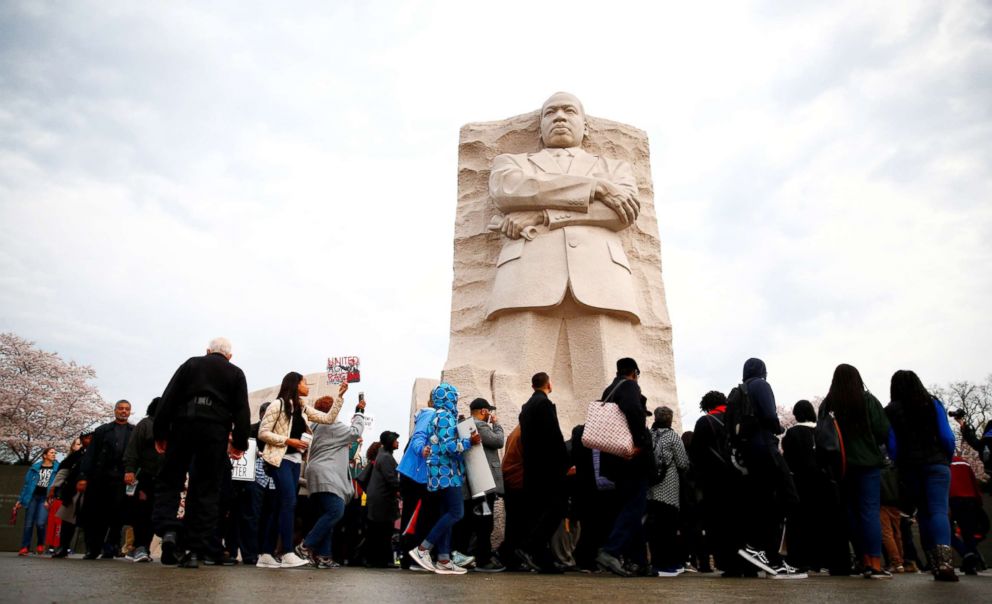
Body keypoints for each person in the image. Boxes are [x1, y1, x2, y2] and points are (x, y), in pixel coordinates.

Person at [486, 92, 643, 432]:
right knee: (517, 386)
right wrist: (596, 187)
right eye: (550, 112)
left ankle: (605, 468)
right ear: (539, 126)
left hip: (600, 277)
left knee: (606, 382)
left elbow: (619, 214)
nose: (559, 116)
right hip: (527, 276)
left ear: (585, 126)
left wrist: (542, 214)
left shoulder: (615, 167)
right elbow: (509, 191)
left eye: (569, 110)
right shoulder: (512, 164)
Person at [152, 337, 251, 569]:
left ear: (207, 351)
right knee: (206, 489)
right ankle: (192, 549)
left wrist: (160, 432)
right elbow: (241, 410)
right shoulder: (236, 373)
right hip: (215, 431)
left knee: (170, 480)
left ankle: (168, 530)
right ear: (230, 356)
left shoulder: (191, 364)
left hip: (183, 425)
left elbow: (169, 398)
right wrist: (239, 442)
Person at [256, 372, 345, 568]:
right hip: (280, 459)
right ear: (295, 384)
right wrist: (288, 440)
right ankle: (288, 552)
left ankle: (265, 553)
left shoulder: (303, 408)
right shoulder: (277, 405)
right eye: (304, 382)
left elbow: (328, 418)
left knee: (280, 505)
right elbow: (263, 432)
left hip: (295, 461)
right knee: (289, 501)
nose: (307, 385)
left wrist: (340, 397)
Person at [731, 358, 804, 579]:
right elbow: (771, 417)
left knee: (765, 501)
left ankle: (769, 557)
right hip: (766, 447)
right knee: (788, 497)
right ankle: (761, 548)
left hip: (750, 452)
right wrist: (779, 427)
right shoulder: (761, 385)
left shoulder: (740, 390)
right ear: (763, 371)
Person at [819, 363, 890, 579]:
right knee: (869, 511)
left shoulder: (828, 404)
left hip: (841, 465)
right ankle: (875, 562)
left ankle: (862, 559)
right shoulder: (867, 400)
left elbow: (821, 435)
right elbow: (882, 431)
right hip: (867, 462)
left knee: (851, 513)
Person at [885, 369, 957, 581]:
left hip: (910, 466)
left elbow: (892, 445)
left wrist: (899, 460)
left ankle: (933, 562)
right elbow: (946, 435)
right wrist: (947, 456)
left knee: (923, 512)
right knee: (939, 511)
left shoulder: (890, 410)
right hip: (937, 462)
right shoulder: (932, 402)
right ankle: (946, 561)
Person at [408, 382, 481, 574]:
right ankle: (423, 549)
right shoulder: (445, 417)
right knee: (456, 512)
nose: (456, 400)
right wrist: (469, 441)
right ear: (449, 398)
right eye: (454, 397)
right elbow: (448, 446)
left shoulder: (439, 416)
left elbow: (439, 444)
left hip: (439, 472)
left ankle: (444, 559)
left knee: (446, 513)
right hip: (446, 473)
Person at [595, 358, 653, 577]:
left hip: (614, 459)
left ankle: (637, 561)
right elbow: (633, 411)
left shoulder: (609, 390)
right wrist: (639, 443)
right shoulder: (629, 386)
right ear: (634, 372)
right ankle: (611, 550)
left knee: (630, 507)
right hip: (630, 459)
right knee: (635, 506)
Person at [295, 395, 367, 568]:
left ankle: (324, 556)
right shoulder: (332, 425)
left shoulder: (314, 427)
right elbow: (355, 432)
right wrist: (360, 413)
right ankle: (305, 546)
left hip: (315, 476)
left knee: (326, 515)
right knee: (336, 511)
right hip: (328, 476)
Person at [688, 391, 748, 576]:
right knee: (742, 522)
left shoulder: (705, 422)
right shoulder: (739, 418)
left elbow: (696, 455)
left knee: (720, 524)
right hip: (742, 478)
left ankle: (729, 565)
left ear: (706, 406)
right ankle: (749, 564)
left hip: (715, 481)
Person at [516, 372, 571, 573]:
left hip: (531, 469)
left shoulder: (526, 408)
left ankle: (540, 558)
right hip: (548, 470)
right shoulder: (544, 405)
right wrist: (565, 463)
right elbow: (554, 437)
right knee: (557, 509)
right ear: (549, 384)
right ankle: (529, 547)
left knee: (538, 513)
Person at [781, 399, 842, 573]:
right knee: (824, 521)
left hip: (801, 483)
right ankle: (825, 559)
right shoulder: (822, 431)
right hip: (824, 483)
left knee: (801, 523)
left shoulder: (792, 433)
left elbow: (788, 461)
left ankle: (801, 560)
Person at [78, 399, 134, 559]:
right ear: (115, 410)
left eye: (127, 409)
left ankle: (111, 546)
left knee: (117, 514)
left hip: (121, 478)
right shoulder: (102, 430)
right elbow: (91, 454)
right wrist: (83, 476)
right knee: (96, 514)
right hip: (100, 477)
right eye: (121, 408)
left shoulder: (133, 431)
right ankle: (93, 548)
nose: (124, 411)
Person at [463, 398, 505, 572]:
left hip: (476, 482)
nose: (491, 415)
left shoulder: (466, 425)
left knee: (475, 522)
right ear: (483, 411)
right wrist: (497, 424)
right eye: (489, 411)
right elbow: (498, 441)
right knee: (485, 524)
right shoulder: (479, 426)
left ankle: (472, 556)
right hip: (484, 482)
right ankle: (483, 560)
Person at [647, 406, 689, 577]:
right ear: (670, 419)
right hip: (668, 490)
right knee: (668, 529)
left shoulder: (649, 435)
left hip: (650, 490)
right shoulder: (673, 437)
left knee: (654, 529)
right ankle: (669, 565)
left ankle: (656, 563)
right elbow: (682, 463)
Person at [396, 395, 437, 571]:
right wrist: (422, 450)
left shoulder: (427, 415)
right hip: (417, 475)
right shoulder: (430, 414)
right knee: (417, 516)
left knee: (413, 515)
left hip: (413, 475)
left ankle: (408, 556)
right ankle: (411, 556)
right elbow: (419, 438)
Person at [122, 397, 164, 563]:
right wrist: (130, 470)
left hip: (163, 477)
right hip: (145, 475)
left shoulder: (171, 427)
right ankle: (141, 546)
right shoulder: (145, 425)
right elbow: (133, 448)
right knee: (142, 512)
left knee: (157, 513)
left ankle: (143, 546)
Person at [50, 432, 93, 558]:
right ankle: (63, 546)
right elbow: (64, 470)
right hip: (73, 491)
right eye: (86, 438)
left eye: (92, 438)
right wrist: (55, 486)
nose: (89, 440)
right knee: (67, 521)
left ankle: (90, 548)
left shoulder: (100, 454)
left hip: (92, 492)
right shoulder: (76, 455)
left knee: (90, 522)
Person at [364, 430, 401, 567]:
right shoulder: (386, 457)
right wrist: (402, 489)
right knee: (383, 531)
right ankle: (382, 560)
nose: (397, 442)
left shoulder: (382, 455)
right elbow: (391, 480)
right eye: (395, 440)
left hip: (378, 498)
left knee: (377, 530)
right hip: (383, 500)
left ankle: (376, 559)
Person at [16, 447, 59, 556]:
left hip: (45, 498)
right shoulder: (34, 468)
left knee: (40, 523)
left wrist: (51, 499)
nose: (54, 454)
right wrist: (20, 500)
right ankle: (24, 547)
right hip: (32, 497)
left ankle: (41, 543)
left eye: (55, 453)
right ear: (45, 455)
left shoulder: (57, 468)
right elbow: (26, 485)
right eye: (51, 453)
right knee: (28, 523)